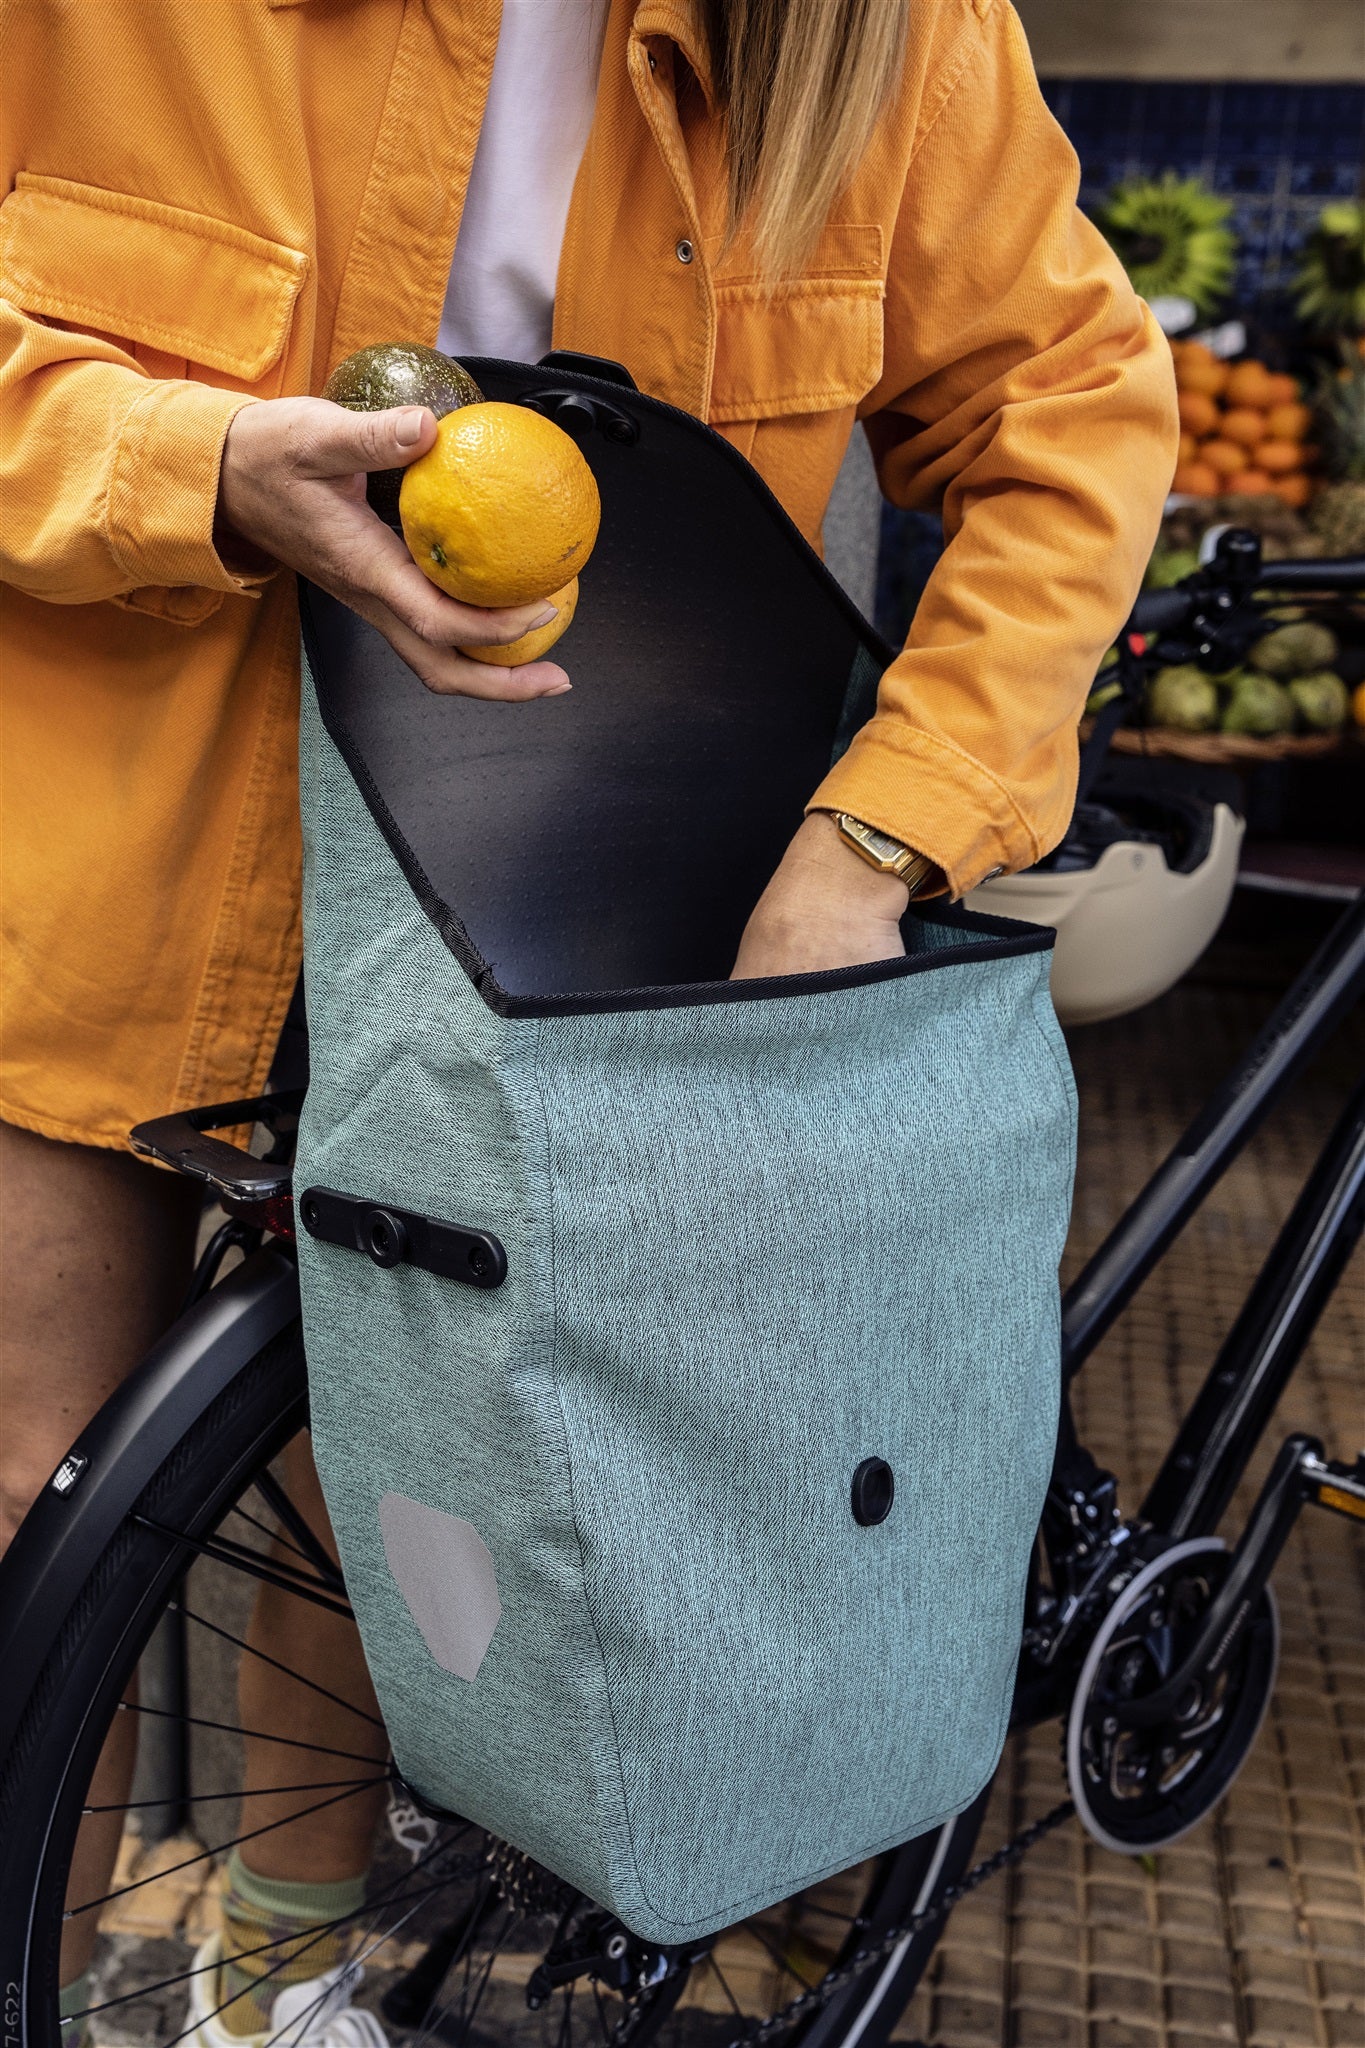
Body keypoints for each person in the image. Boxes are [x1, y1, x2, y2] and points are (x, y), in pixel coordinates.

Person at [0, 0, 1177, 2037]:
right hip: (107, 840)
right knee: (33, 1504)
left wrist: (875, 839)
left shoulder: (876, 32)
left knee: (422, 1454)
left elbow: (1068, 399)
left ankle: (282, 1980)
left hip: (567, 870)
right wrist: (198, 463)